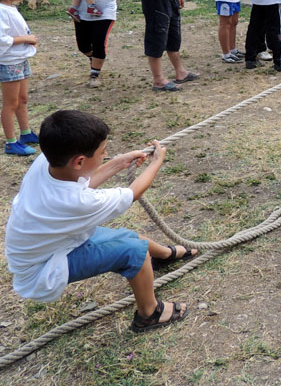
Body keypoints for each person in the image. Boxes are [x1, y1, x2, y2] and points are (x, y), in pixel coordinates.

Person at [4, 110, 194, 331]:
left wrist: (118, 163)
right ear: (80, 161)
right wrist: (156, 163)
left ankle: (163, 255)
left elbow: (84, 180)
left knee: (127, 237)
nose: (106, 155)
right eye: (103, 152)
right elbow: (133, 193)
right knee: (135, 249)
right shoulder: (76, 202)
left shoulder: (47, 162)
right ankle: (150, 313)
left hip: (47, 242)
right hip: (44, 267)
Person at [0, 0, 38, 156]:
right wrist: (26, 38)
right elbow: (2, 39)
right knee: (10, 103)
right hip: (9, 62)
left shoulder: (10, 8)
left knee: (22, 99)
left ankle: (25, 133)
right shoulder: (1, 11)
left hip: (19, 59)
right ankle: (11, 142)